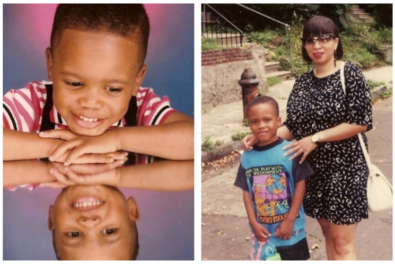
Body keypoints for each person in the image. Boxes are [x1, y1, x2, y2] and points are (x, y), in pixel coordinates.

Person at [3, 4, 194, 174]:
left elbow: (192, 140)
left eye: (112, 89)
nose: (91, 103)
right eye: (75, 83)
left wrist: (115, 140)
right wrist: (58, 148)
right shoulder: (35, 102)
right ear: (51, 65)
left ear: (137, 80)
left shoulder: (141, 106)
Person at [242, 15, 372, 260]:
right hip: (312, 171)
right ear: (304, 46)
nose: (317, 45)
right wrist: (260, 137)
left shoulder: (350, 73)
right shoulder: (302, 82)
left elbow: (360, 122)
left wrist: (316, 138)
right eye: (310, 40)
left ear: (335, 42)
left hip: (345, 170)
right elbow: (293, 126)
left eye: (324, 39)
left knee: (343, 243)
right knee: (328, 236)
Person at [234, 96, 313, 260]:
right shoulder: (247, 157)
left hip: (292, 231)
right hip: (262, 234)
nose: (261, 125)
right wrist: (253, 223)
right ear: (249, 124)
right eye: (254, 121)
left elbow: (300, 186)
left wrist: (290, 220)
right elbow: (247, 192)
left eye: (267, 120)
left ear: (278, 121)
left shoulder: (290, 151)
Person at [48, 185, 140, 260]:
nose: (89, 223)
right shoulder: (141, 165)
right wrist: (118, 176)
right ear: (131, 210)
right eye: (109, 231)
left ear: (53, 217)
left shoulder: (36, 168)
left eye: (74, 234)